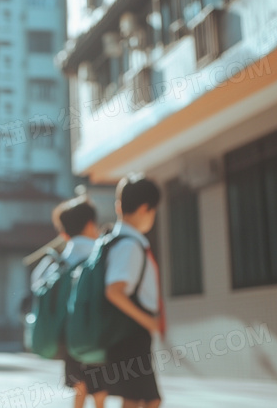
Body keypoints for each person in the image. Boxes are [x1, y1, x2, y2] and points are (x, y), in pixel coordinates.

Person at [104, 174, 164, 408]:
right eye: (153, 211)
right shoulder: (129, 245)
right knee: (144, 400)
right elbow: (114, 291)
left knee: (143, 399)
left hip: (128, 336)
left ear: (119, 206)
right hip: (131, 335)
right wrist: (149, 322)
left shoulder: (120, 240)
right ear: (144, 209)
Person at [45, 196, 109, 408]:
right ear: (91, 224)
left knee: (79, 387)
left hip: (67, 335)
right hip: (95, 331)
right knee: (100, 392)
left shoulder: (61, 259)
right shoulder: (100, 251)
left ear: (64, 233)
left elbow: (39, 282)